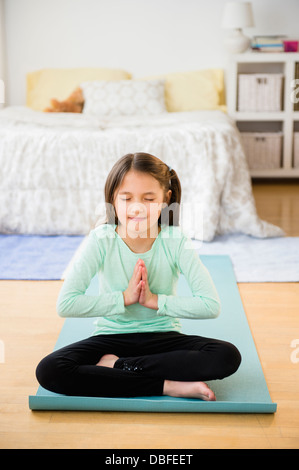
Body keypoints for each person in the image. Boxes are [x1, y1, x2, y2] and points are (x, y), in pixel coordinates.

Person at [36, 152, 241, 401]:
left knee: (226, 355)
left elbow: (210, 306)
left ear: (166, 200)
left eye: (148, 198)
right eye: (126, 198)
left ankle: (117, 367)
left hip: (163, 338)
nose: (136, 207)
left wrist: (156, 301)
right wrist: (123, 298)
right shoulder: (101, 240)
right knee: (50, 370)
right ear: (113, 199)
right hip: (110, 338)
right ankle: (169, 386)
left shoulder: (175, 241)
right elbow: (66, 304)